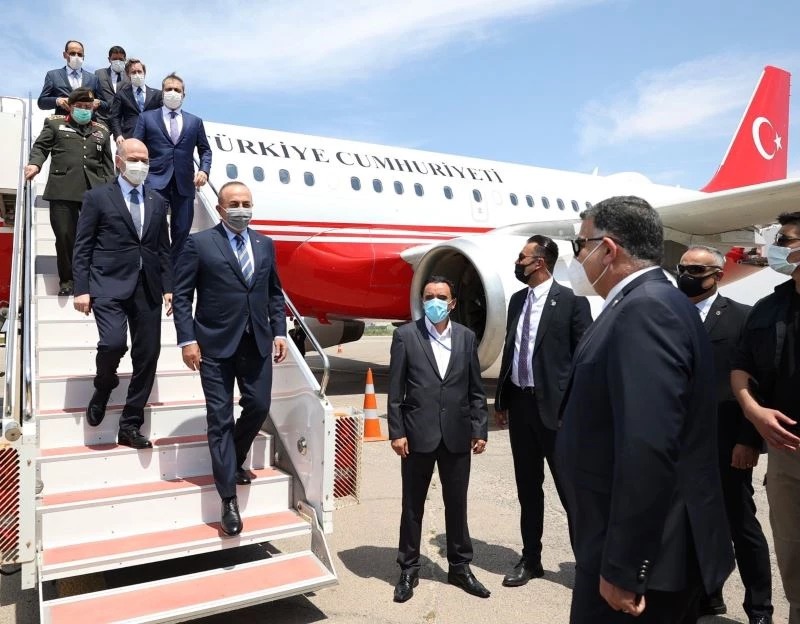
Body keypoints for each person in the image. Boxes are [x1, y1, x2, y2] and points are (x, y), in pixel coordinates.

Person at [555, 196, 734, 623]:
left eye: (581, 245)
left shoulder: (647, 308)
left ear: (608, 249)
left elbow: (648, 446)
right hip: (632, 545)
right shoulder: (640, 302)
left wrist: (625, 566)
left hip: (646, 561)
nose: (577, 257)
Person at [172, 181, 287, 537]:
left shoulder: (264, 244)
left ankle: (233, 458)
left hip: (256, 342)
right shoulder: (199, 243)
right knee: (220, 419)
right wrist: (187, 340)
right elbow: (182, 296)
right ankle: (228, 498)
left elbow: (274, 293)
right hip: (214, 347)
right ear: (220, 208)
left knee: (259, 405)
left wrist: (280, 331)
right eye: (234, 204)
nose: (241, 209)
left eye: (246, 203)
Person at [677, 245, 772, 624]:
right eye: (682, 268)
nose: (685, 276)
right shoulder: (669, 314)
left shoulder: (742, 318)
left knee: (740, 524)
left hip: (727, 441)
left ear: (717, 275)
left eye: (695, 270)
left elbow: (756, 383)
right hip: (680, 442)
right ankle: (708, 595)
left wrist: (749, 439)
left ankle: (759, 608)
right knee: (690, 523)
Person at [494, 234, 591, 587]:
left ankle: (587, 565)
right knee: (528, 489)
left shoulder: (572, 302)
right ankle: (531, 559)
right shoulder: (517, 301)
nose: (517, 263)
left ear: (539, 262)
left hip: (557, 411)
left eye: (522, 258)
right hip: (521, 406)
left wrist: (576, 410)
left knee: (571, 493)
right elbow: (512, 349)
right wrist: (502, 400)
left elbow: (585, 360)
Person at [388, 276, 490, 603]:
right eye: (429, 296)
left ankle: (460, 567)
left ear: (452, 303)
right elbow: (395, 391)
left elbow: (476, 390)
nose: (435, 301)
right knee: (412, 505)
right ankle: (408, 568)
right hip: (417, 434)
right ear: (422, 300)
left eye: (441, 297)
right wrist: (397, 431)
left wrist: (479, 429)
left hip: (457, 435)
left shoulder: (466, 337)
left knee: (457, 504)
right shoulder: (406, 336)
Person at [72, 139, 173, 448]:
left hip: (148, 286)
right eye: (134, 158)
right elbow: (83, 246)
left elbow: (163, 248)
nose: (140, 164)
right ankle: (104, 384)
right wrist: (81, 289)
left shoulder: (158, 201)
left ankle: (130, 424)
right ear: (118, 161)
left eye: (145, 160)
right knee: (113, 343)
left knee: (148, 354)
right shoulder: (97, 197)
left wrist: (169, 286)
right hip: (107, 283)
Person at [732, 212, 800, 624]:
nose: (775, 249)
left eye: (785, 240)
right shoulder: (769, 307)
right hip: (785, 452)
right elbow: (742, 368)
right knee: (791, 552)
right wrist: (753, 410)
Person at [25, 87, 114, 296]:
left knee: (96, 236)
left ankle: (92, 279)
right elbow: (41, 147)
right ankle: (67, 280)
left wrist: (112, 190)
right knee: (65, 236)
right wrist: (35, 164)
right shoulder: (55, 124)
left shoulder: (102, 130)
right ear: (70, 107)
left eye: (88, 107)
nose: (84, 110)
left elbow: (107, 164)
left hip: (94, 191)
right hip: (63, 189)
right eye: (80, 106)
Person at [133, 73, 212, 263]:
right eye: (169, 89)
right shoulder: (147, 118)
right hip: (155, 183)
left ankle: (173, 273)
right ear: (162, 93)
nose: (173, 93)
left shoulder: (195, 121)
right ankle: (154, 269)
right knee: (154, 229)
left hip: (184, 185)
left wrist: (204, 170)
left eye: (177, 90)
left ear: (183, 95)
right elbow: (135, 147)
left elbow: (205, 150)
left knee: (182, 231)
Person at [38, 40, 106, 118]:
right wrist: (57, 100)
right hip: (63, 122)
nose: (76, 57)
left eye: (80, 54)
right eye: (72, 53)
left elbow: (106, 106)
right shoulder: (53, 75)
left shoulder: (93, 78)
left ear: (83, 57)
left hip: (87, 122)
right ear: (65, 55)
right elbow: (41, 102)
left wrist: (98, 103)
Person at [110, 59, 162, 144]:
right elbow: (115, 117)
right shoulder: (121, 95)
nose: (137, 74)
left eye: (139, 71)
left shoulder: (157, 94)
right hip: (129, 138)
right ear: (128, 74)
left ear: (144, 73)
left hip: (153, 138)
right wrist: (118, 135)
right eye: (133, 72)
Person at [94, 45, 128, 125]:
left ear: (125, 60)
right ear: (109, 59)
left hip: (122, 121)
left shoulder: (129, 77)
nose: (118, 62)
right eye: (114, 59)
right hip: (102, 119)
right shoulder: (99, 74)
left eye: (121, 59)